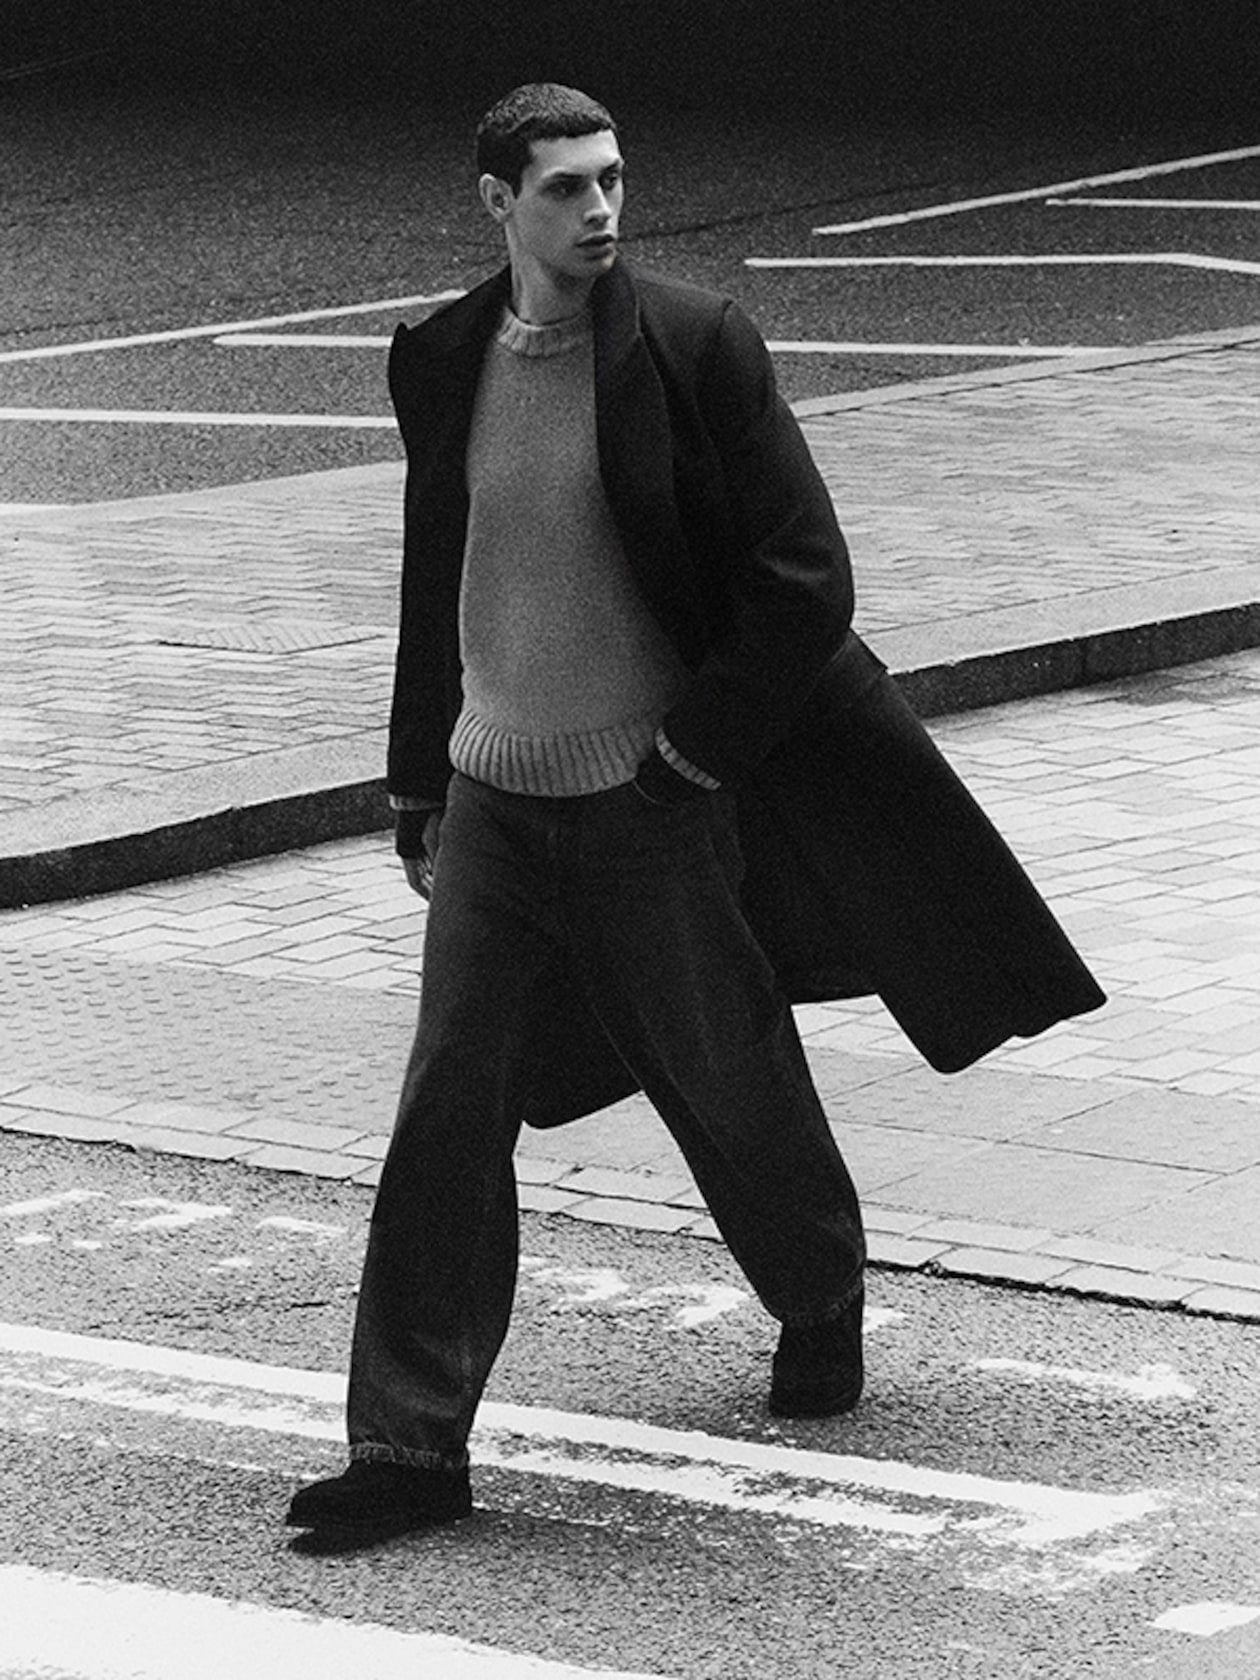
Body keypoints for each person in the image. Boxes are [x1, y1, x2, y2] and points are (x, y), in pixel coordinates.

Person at [286, 83, 1104, 1548]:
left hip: (652, 806)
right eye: (564, 187)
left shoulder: (693, 345)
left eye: (612, 178)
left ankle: (819, 1291)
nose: (600, 208)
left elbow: (804, 578)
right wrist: (417, 778)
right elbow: (436, 571)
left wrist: (688, 760)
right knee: (446, 1113)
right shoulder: (445, 357)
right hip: (494, 800)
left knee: (726, 1080)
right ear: (499, 201)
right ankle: (408, 1449)